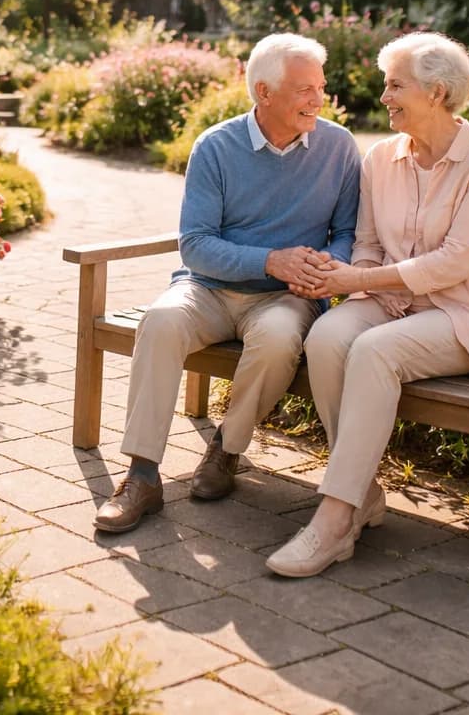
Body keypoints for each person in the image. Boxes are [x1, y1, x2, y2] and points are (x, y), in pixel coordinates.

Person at [266, 31, 469, 577]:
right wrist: (349, 281)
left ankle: (335, 522)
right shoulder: (382, 157)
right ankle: (362, 490)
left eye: (395, 85)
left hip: (466, 315)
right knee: (328, 337)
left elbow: (455, 262)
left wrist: (361, 279)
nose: (384, 97)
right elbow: (367, 245)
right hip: (396, 304)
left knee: (375, 352)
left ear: (437, 92)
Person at [93, 33, 361, 533]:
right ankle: (142, 475)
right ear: (264, 92)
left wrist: (328, 270)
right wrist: (270, 260)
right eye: (304, 89)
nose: (317, 99)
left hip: (285, 299)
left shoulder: (339, 147)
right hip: (209, 288)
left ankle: (226, 448)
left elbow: (346, 231)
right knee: (161, 320)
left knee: (280, 339)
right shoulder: (216, 146)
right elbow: (194, 243)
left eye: (320, 87)